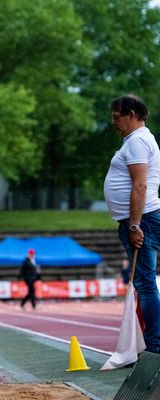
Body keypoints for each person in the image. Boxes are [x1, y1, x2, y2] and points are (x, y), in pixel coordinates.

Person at [104, 94, 160, 354]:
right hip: (142, 218)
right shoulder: (135, 140)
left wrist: (135, 225)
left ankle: (155, 346)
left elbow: (140, 184)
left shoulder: (137, 141)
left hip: (142, 219)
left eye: (117, 117)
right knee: (145, 284)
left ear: (132, 115)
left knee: (146, 284)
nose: (113, 122)